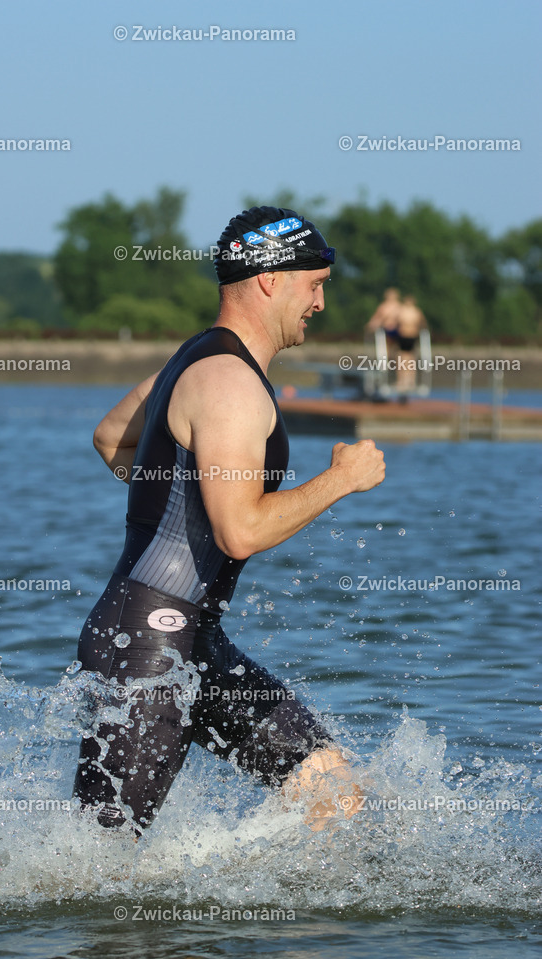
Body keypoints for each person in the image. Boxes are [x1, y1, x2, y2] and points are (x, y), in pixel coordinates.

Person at [73, 207, 386, 835]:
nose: (320, 303)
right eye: (315, 283)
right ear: (271, 278)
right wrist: (340, 481)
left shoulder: (195, 359)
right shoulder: (229, 384)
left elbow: (113, 439)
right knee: (96, 870)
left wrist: (189, 491)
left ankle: (252, 907)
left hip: (191, 643)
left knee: (336, 794)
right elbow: (239, 532)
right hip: (150, 648)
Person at [394, 294, 428, 396]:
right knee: (401, 357)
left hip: (412, 336)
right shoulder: (401, 311)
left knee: (411, 358)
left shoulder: (416, 311)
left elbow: (423, 323)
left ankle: (410, 381)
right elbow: (395, 323)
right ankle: (401, 380)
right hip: (402, 336)